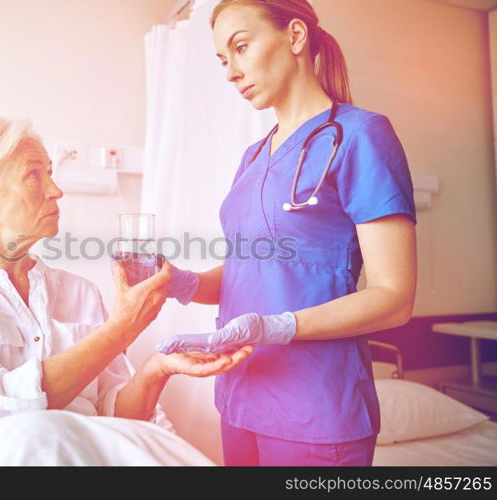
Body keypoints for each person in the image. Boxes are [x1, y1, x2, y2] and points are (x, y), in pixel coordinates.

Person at [0, 117, 252, 466]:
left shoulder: (78, 293)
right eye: (33, 175)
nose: (56, 190)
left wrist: (157, 368)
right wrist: (122, 328)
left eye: (50, 173)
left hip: (78, 456)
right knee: (36, 433)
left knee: (154, 443)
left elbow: (120, 416)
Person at [152, 0, 417, 466]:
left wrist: (278, 326)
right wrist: (183, 282)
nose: (231, 72)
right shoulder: (253, 157)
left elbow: (395, 297)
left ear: (295, 37)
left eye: (241, 47)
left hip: (316, 409)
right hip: (240, 395)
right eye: (222, 60)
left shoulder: (360, 135)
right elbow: (251, 272)